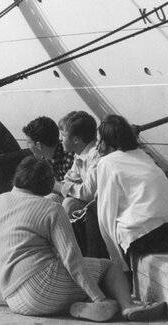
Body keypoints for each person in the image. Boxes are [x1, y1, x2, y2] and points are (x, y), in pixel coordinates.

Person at [0, 156, 168, 322]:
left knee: (87, 278)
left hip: (14, 298)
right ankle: (125, 307)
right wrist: (99, 297)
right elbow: (72, 258)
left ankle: (87, 303)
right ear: (45, 184)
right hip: (43, 289)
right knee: (108, 268)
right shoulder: (52, 209)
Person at [95, 115, 168, 277]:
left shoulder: (107, 162)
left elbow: (105, 214)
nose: (98, 146)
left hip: (145, 238)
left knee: (94, 212)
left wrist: (118, 262)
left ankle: (104, 274)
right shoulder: (144, 155)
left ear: (107, 141)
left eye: (100, 140)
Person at [55, 111, 107, 259]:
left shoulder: (95, 155)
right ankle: (51, 250)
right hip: (87, 203)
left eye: (63, 136)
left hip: (98, 208)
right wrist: (60, 187)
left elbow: (88, 192)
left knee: (69, 204)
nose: (61, 140)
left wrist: (59, 186)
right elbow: (70, 179)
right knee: (52, 198)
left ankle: (69, 254)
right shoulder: (79, 155)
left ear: (76, 139)